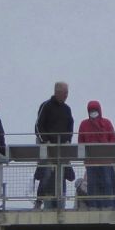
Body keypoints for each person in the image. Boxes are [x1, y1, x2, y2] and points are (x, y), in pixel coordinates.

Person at [35, 81, 74, 210]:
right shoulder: (45, 106)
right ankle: (39, 201)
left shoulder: (67, 109)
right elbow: (38, 126)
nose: (67, 95)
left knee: (61, 175)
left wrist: (68, 140)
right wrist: (46, 141)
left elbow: (70, 127)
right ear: (57, 92)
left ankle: (60, 204)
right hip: (48, 148)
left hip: (62, 149)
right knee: (46, 174)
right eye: (65, 92)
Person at [76, 99, 115, 209]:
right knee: (93, 184)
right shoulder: (84, 124)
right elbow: (81, 141)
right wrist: (84, 158)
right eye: (91, 110)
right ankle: (93, 205)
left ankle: (108, 205)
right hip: (91, 162)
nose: (93, 112)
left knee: (107, 182)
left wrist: (107, 151)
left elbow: (112, 139)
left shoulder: (107, 123)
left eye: (95, 110)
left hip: (105, 161)